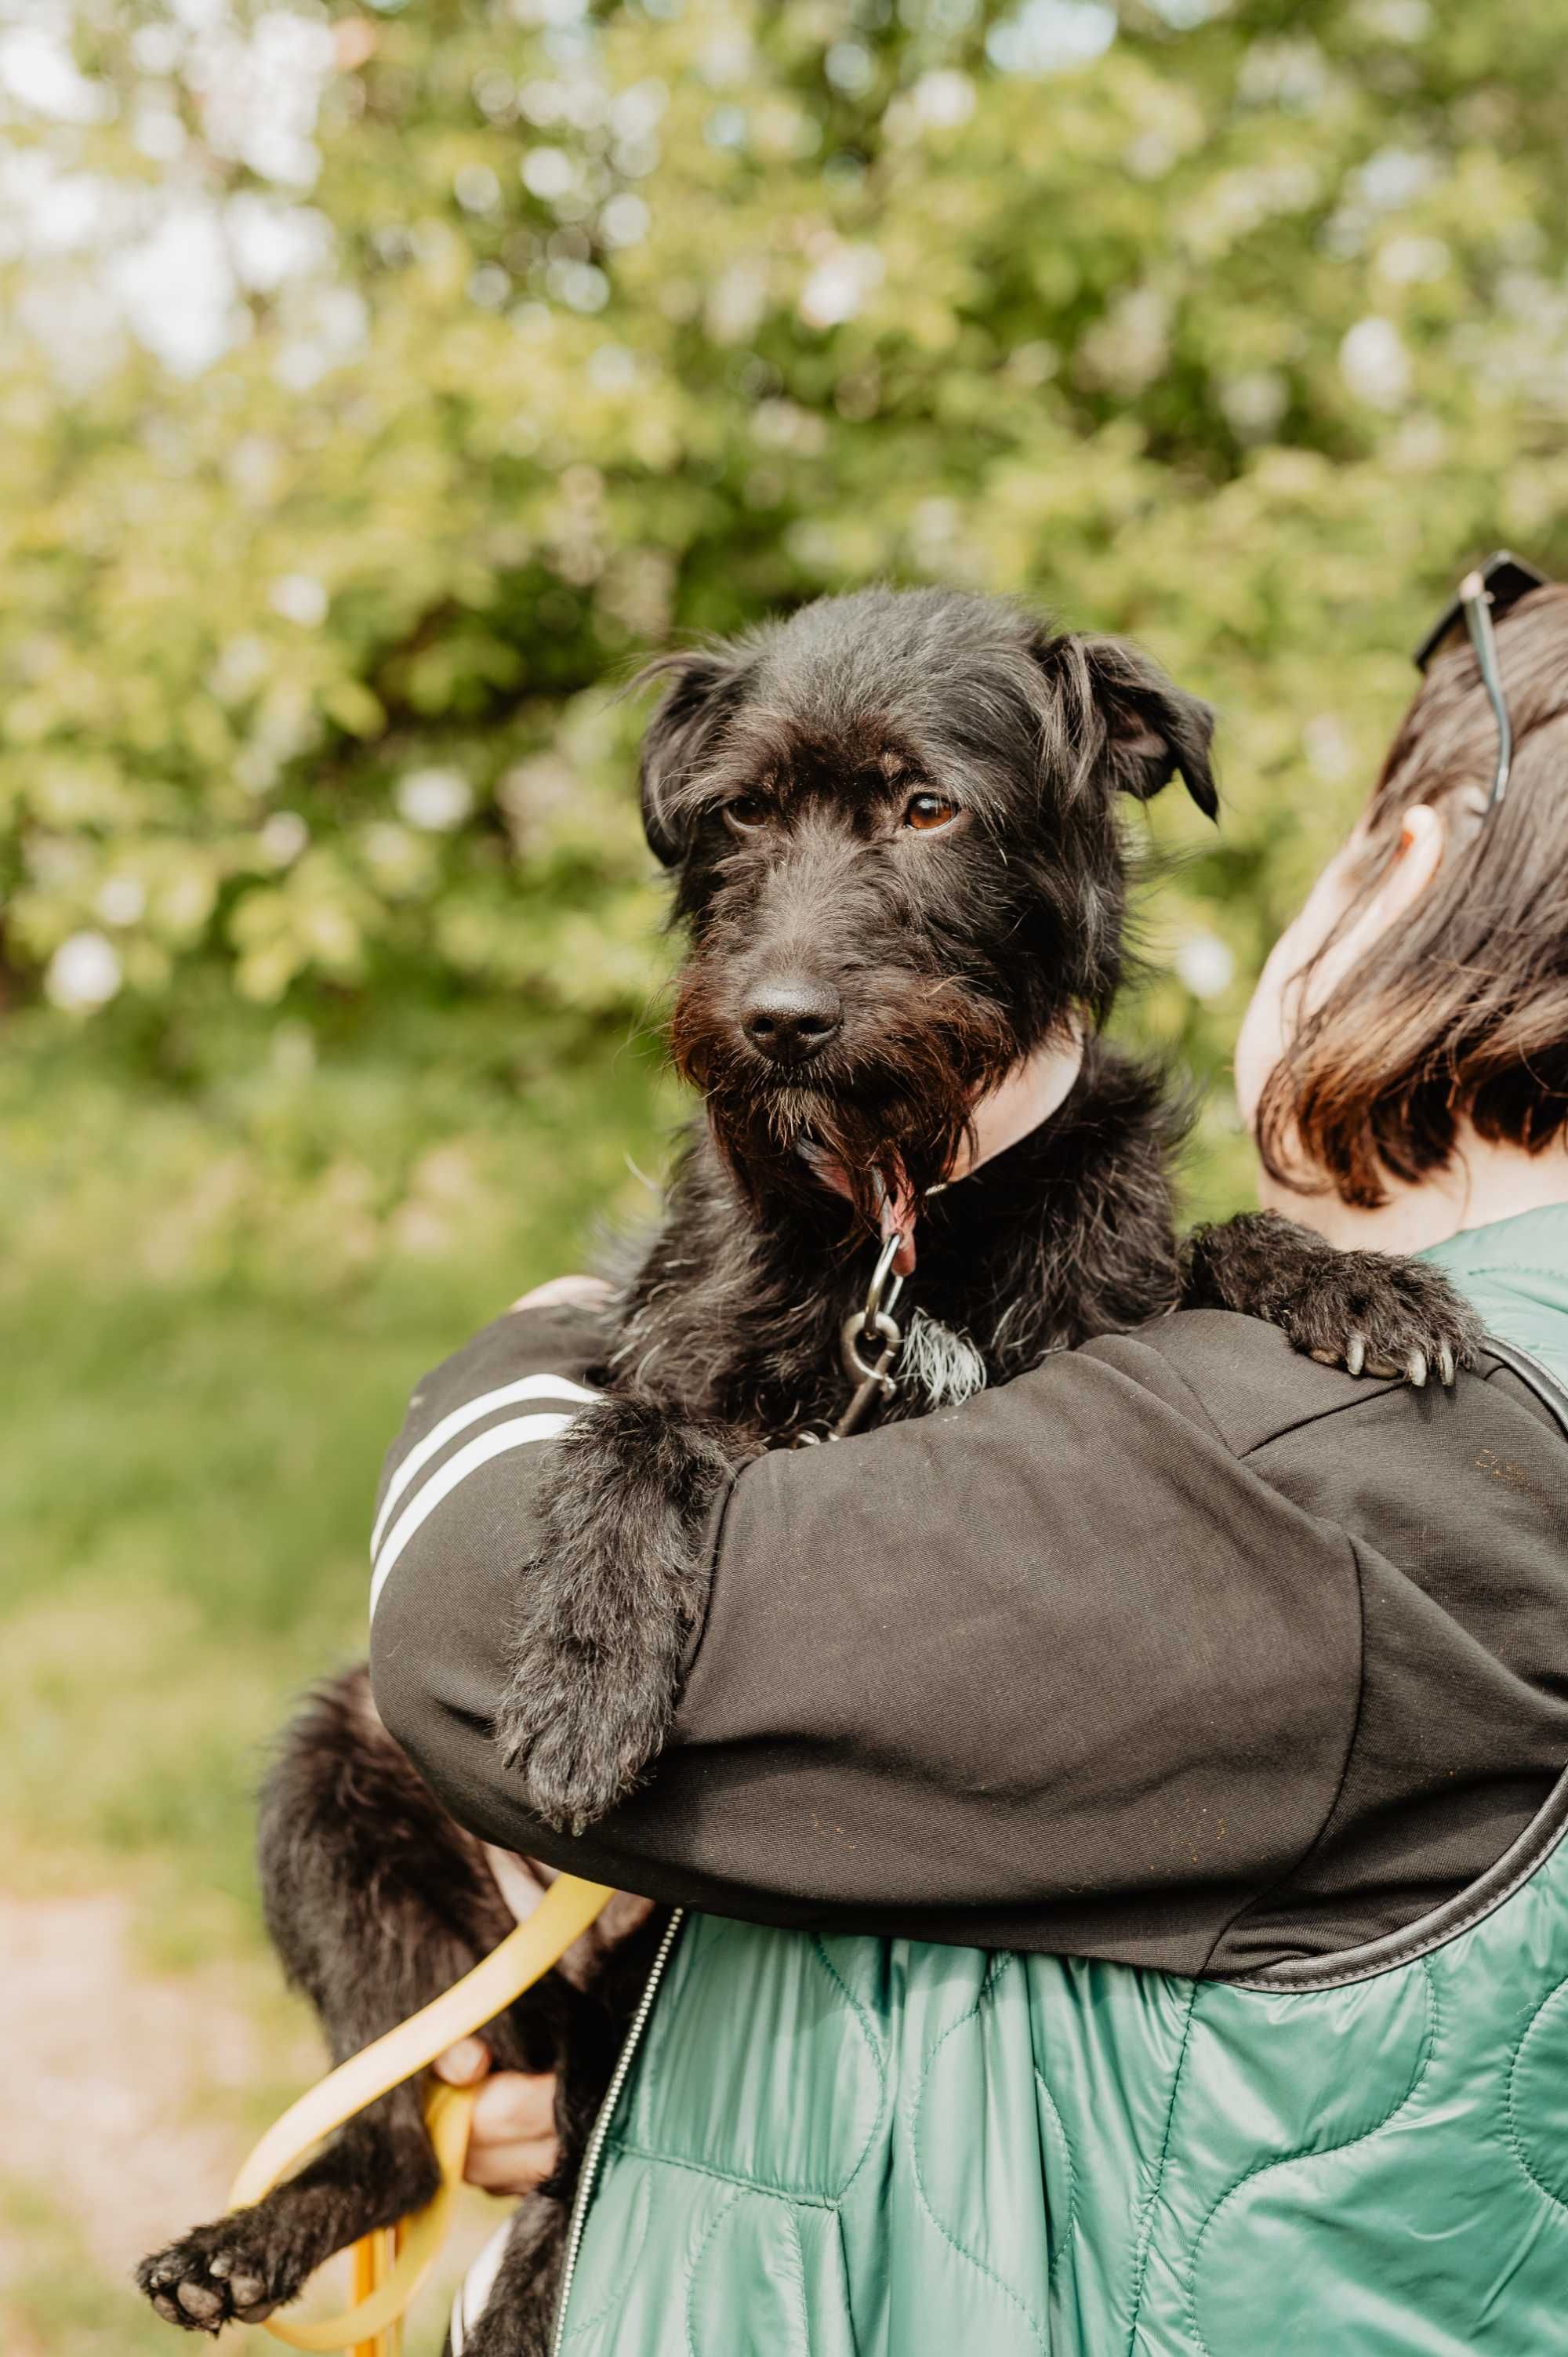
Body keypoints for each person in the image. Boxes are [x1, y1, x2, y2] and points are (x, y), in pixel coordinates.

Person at [372, 571, 1568, 2354]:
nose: (789, 949)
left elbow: (471, 1644)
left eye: (917, 809)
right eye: (750, 823)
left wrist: (546, 1328)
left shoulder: (1361, 1456)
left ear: (1404, 870)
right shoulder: (1375, 1360)